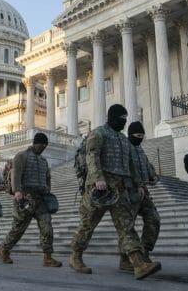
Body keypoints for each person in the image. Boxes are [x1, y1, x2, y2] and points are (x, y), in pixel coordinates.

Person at [69, 104, 161, 279]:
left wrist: (139, 184)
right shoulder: (99, 133)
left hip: (120, 189)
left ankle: (138, 263)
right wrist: (98, 178)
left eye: (125, 120)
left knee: (126, 226)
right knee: (88, 224)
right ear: (112, 118)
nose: (123, 122)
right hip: (99, 188)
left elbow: (131, 165)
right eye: (121, 119)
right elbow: (92, 156)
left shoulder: (124, 140)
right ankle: (75, 256)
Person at [0, 132, 61, 267]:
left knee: (47, 227)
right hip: (25, 198)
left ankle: (48, 257)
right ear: (35, 143)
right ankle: (4, 249)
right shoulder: (22, 156)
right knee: (18, 229)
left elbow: (47, 178)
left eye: (45, 145)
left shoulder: (44, 161)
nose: (43, 147)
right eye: (42, 144)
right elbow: (16, 174)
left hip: (40, 199)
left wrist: (48, 192)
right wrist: (17, 191)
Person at [119, 122, 161, 271]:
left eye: (142, 136)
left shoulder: (140, 149)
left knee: (154, 219)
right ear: (131, 135)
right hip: (128, 191)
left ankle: (144, 253)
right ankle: (125, 259)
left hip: (143, 191)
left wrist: (153, 175)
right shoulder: (124, 148)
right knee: (128, 226)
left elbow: (147, 165)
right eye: (138, 136)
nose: (140, 139)